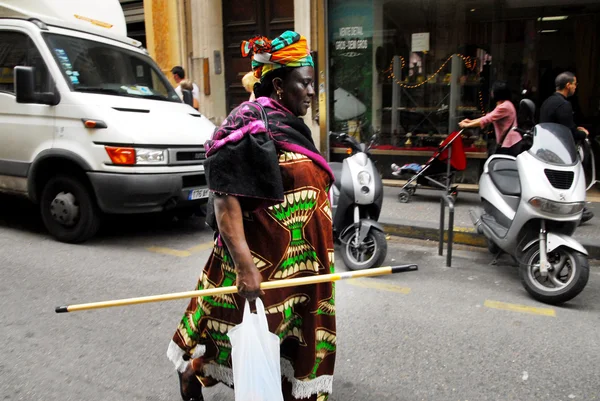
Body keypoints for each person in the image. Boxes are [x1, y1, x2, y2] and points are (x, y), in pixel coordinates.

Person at [167, 31, 336, 401]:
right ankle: (195, 373)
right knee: (244, 334)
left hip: (302, 262)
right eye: (304, 84)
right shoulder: (249, 123)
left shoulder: (289, 123)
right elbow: (225, 199)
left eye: (313, 84)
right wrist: (246, 267)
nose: (311, 92)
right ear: (278, 84)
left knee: (292, 336)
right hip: (263, 262)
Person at [540, 72, 593, 223]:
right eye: (575, 84)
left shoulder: (548, 102)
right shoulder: (564, 105)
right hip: (560, 151)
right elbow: (568, 131)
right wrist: (582, 133)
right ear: (568, 85)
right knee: (569, 182)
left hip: (547, 149)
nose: (576, 87)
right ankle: (574, 212)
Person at [459, 81, 522, 157]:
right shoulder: (505, 104)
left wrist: (467, 125)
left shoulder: (505, 107)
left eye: (493, 90)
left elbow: (487, 119)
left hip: (510, 143)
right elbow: (488, 117)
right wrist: (470, 121)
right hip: (509, 142)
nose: (491, 92)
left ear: (498, 93)